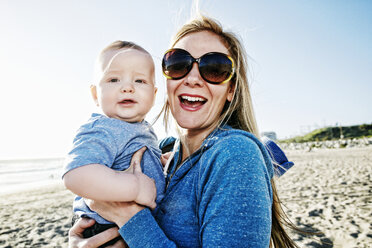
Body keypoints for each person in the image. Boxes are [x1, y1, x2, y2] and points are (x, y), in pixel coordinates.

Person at [69, 15, 299, 248]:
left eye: (215, 68)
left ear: (231, 90)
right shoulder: (165, 150)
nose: (192, 78)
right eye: (178, 64)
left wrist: (127, 217)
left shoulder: (235, 154)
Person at [63, 41, 165, 247]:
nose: (127, 87)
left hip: (131, 228)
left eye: (139, 80)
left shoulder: (143, 129)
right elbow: (76, 174)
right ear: (95, 95)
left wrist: (159, 160)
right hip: (102, 227)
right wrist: (135, 188)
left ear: (154, 96)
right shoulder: (102, 128)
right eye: (114, 79)